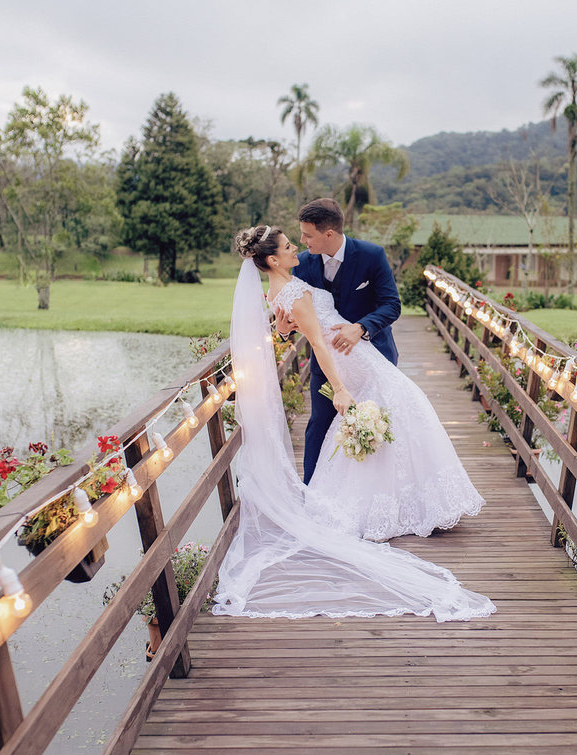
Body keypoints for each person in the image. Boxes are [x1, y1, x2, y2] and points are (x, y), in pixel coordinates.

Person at [211, 224, 493, 621]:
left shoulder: (281, 287)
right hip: (347, 361)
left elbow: (292, 325)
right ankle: (397, 503)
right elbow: (318, 343)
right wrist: (340, 389)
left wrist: (285, 327)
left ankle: (399, 499)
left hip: (358, 350)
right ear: (272, 259)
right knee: (405, 403)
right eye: (289, 246)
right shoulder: (293, 289)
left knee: (405, 405)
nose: (297, 249)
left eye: (298, 240)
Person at [276, 198, 401, 485]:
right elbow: (298, 314)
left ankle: (375, 489)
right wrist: (284, 331)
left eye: (307, 234)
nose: (302, 240)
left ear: (329, 234)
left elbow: (392, 305)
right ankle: (311, 492)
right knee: (319, 425)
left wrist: (361, 327)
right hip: (327, 364)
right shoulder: (302, 264)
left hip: (372, 359)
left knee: (377, 427)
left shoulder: (372, 255)